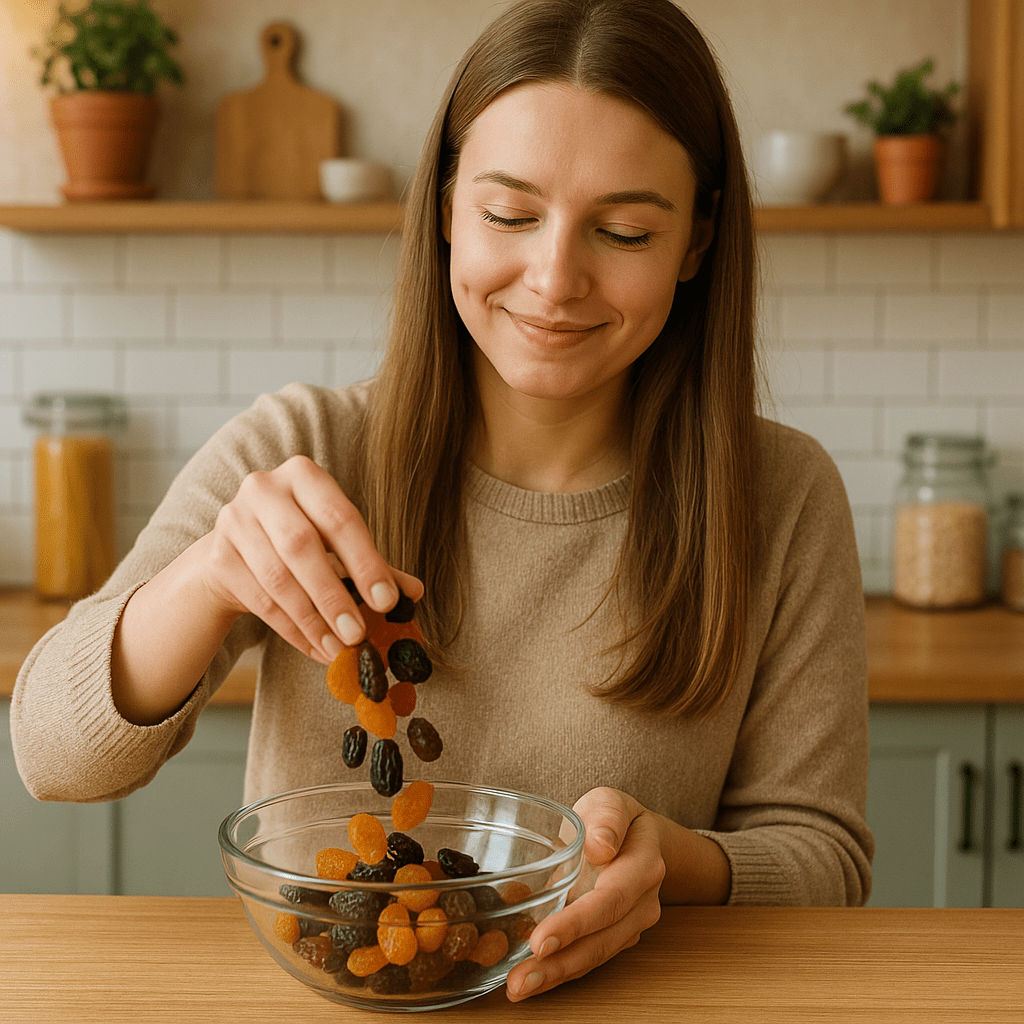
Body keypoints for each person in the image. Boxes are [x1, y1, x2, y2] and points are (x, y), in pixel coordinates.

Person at [12, 0, 873, 1003]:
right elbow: (50, 752)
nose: (554, 279)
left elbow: (826, 859)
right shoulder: (307, 447)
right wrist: (206, 578)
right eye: (509, 215)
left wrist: (673, 865)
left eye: (624, 229)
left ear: (696, 241)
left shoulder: (782, 495)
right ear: (446, 210)